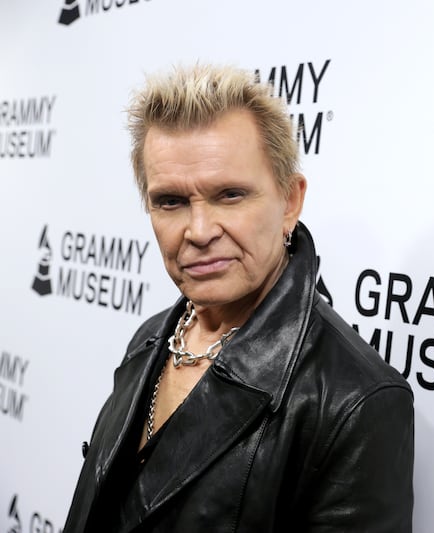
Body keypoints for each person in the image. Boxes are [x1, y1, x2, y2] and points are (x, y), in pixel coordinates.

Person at [63, 64, 414, 532]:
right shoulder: (150, 339)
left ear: (290, 200)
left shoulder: (353, 400)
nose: (200, 231)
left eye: (230, 195)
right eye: (170, 202)